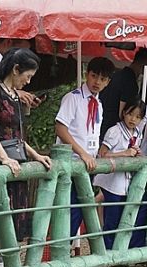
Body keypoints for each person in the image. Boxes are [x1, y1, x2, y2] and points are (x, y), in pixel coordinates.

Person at [0, 48, 53, 267]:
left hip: (16, 161)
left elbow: (15, 135)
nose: (28, 81)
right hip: (0, 163)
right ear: (16, 69)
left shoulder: (15, 95)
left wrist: (35, 155)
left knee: (10, 221)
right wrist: (4, 158)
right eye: (27, 76)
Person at [55, 57, 116, 243]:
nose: (97, 82)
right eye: (94, 76)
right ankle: (59, 251)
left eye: (103, 79)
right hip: (71, 162)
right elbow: (61, 128)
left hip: (88, 165)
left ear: (108, 82)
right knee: (68, 209)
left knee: (81, 209)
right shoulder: (73, 98)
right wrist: (82, 153)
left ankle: (66, 249)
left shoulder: (99, 104)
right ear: (86, 74)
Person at [95, 99, 146, 250]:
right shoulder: (115, 131)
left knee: (124, 216)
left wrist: (136, 155)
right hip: (112, 182)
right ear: (124, 113)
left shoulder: (137, 133)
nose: (133, 119)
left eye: (137, 117)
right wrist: (125, 153)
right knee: (112, 218)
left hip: (125, 182)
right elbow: (102, 154)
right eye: (130, 114)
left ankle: (119, 250)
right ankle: (107, 250)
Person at [99, 47, 147, 139]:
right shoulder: (130, 83)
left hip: (101, 126)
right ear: (144, 67)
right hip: (112, 133)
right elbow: (122, 113)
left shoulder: (117, 75)